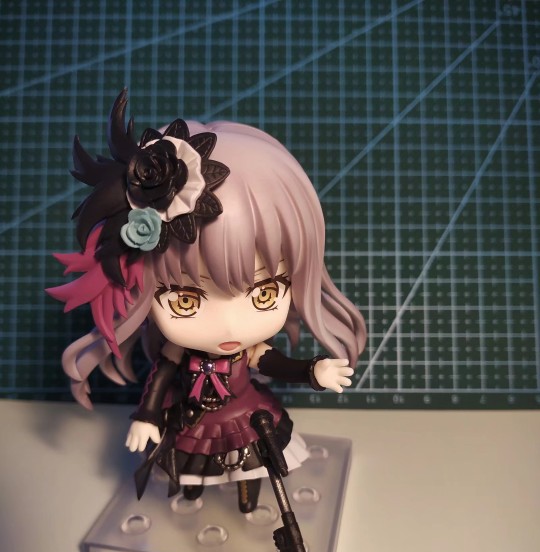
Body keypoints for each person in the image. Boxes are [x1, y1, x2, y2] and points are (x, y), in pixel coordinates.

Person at [48, 89, 366, 513]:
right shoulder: (177, 351)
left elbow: (273, 363)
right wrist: (146, 416)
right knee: (190, 471)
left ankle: (247, 501)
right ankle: (192, 494)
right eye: (185, 302)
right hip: (194, 420)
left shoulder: (248, 351)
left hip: (245, 416)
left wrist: (313, 371)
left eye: (264, 293)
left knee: (252, 467)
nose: (229, 326)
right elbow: (161, 378)